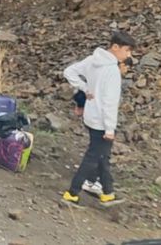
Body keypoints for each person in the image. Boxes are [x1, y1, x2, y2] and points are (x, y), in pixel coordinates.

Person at [61, 31, 136, 207]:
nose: (128, 55)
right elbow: (110, 103)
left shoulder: (92, 60)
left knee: (102, 155)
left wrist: (85, 88)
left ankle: (107, 193)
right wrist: (110, 129)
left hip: (91, 116)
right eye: (127, 51)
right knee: (94, 156)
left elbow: (69, 71)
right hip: (103, 121)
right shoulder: (112, 71)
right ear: (115, 47)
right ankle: (71, 194)